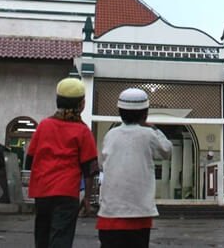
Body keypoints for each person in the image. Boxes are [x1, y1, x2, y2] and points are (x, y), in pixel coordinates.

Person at [27, 77, 99, 248]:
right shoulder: (83, 131)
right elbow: (90, 170)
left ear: (57, 101)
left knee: (42, 236)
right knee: (61, 237)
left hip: (42, 191)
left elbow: (29, 160)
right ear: (82, 105)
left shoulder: (44, 125)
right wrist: (87, 198)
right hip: (67, 193)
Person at [97, 88, 172, 248]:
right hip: (139, 211)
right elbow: (167, 151)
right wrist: (154, 128)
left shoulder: (110, 135)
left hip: (110, 212)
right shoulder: (149, 135)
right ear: (145, 114)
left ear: (120, 112)